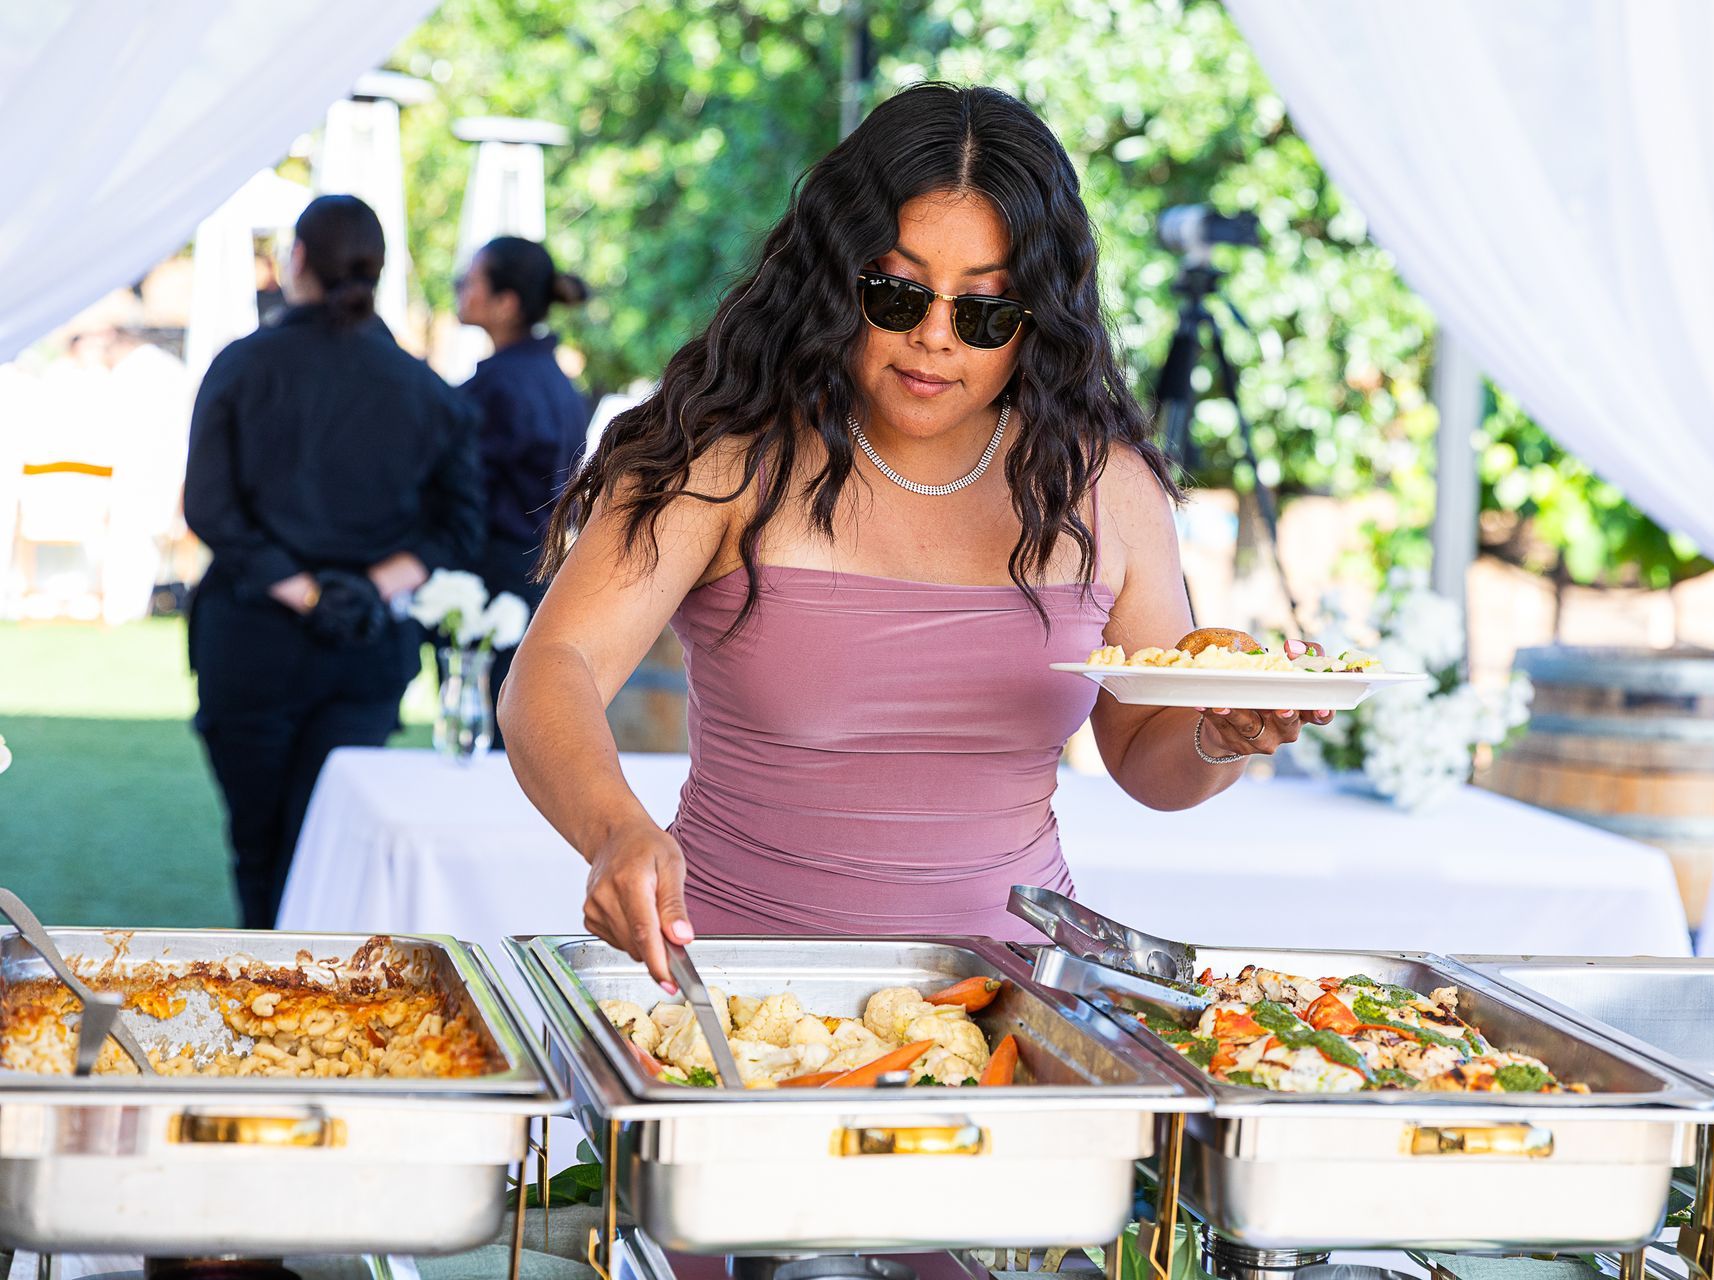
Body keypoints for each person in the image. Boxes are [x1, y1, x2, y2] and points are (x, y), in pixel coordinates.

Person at [500, 84, 1332, 984]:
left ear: (1036, 318)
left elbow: (1143, 757)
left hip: (1014, 1005)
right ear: (836, 278)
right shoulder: (724, 458)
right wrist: (614, 828)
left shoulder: (1107, 489)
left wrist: (1222, 734)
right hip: (735, 998)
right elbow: (554, 668)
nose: (936, 337)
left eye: (983, 312)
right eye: (898, 294)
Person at [184, 194, 483, 928]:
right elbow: (460, 525)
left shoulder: (242, 366)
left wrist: (305, 591)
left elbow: (209, 509)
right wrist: (367, 586)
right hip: (364, 647)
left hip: (253, 638)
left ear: (298, 261)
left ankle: (264, 984)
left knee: (260, 850)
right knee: (327, 852)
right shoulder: (425, 389)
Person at [454, 236, 591, 740]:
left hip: (494, 580)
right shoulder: (556, 381)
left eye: (470, 281)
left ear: (506, 302)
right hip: (543, 575)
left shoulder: (498, 387)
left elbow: (462, 489)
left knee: (482, 727)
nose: (460, 289)